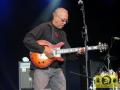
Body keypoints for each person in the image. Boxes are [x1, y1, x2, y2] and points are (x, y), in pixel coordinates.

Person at [23, 7, 84, 90]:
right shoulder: (44, 27)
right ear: (55, 16)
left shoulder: (63, 34)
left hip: (58, 70)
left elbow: (67, 55)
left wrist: (77, 53)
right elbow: (27, 39)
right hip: (42, 68)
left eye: (66, 20)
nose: (65, 22)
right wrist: (43, 49)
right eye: (63, 20)